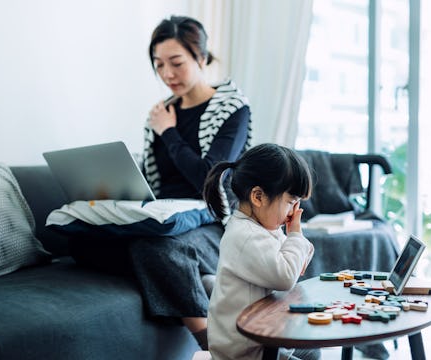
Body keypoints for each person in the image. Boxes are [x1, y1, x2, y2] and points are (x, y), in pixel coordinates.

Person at [134, 15, 251, 350]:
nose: (167, 74)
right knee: (90, 244)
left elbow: (209, 178)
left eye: (176, 63)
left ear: (201, 58)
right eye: (159, 65)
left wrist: (168, 132)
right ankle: (196, 279)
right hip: (166, 217)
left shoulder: (230, 107)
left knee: (155, 248)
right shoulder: (159, 113)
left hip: (212, 219)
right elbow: (152, 181)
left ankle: (216, 347)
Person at [203, 143, 320, 360]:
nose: (293, 213)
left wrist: (295, 240)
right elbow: (286, 277)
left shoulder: (263, 229)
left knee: (314, 351)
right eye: (291, 202)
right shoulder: (245, 236)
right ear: (258, 197)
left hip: (266, 338)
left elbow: (298, 266)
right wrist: (295, 236)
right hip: (247, 352)